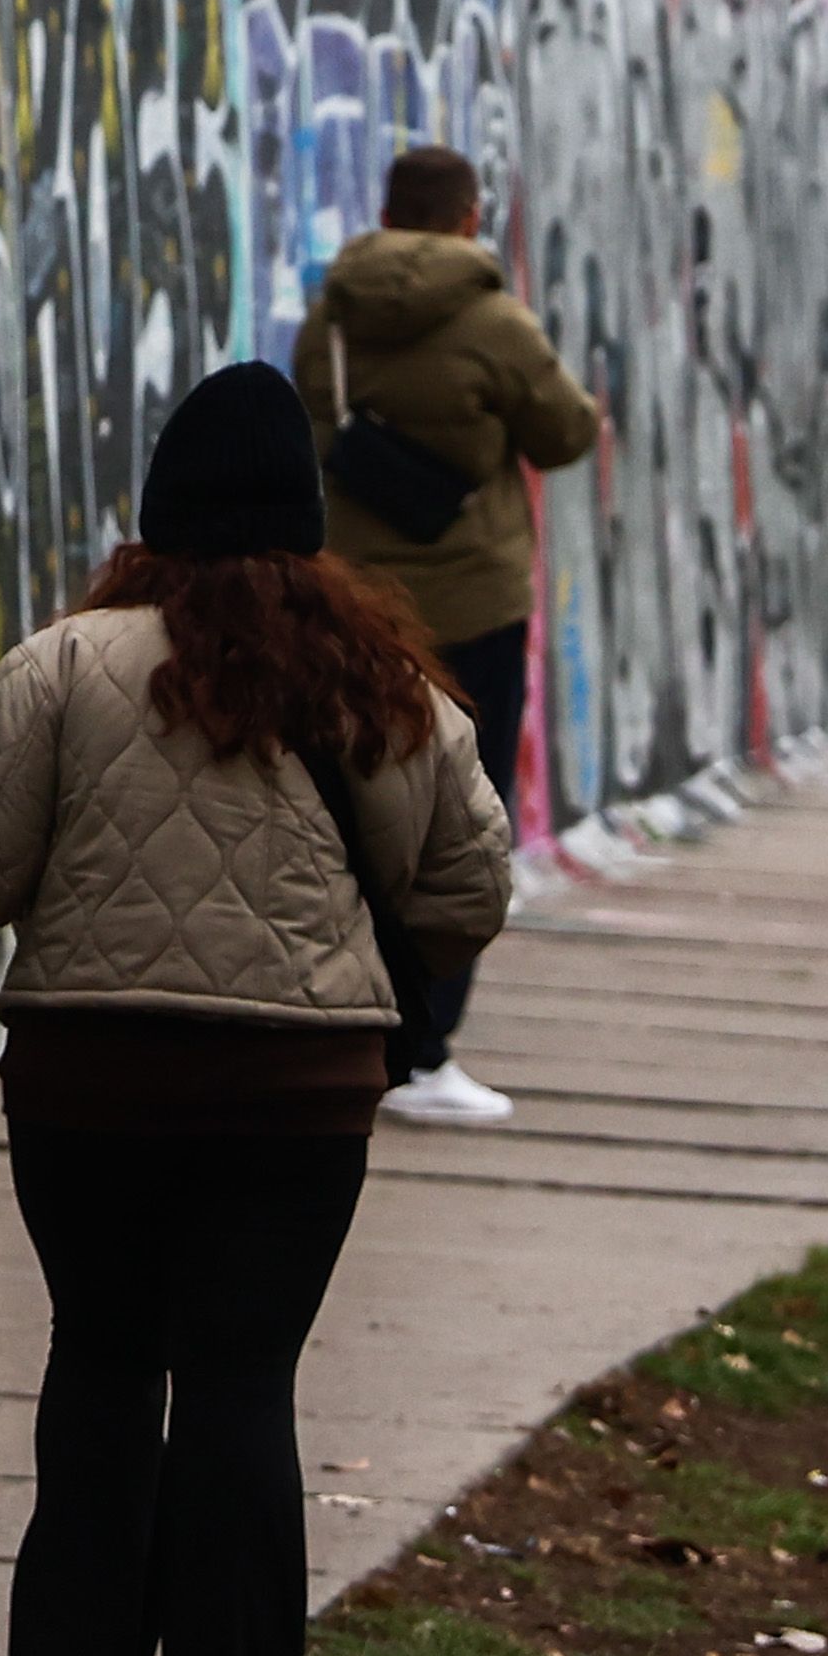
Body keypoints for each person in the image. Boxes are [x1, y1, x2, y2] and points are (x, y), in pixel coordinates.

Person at [0, 365, 509, 1656]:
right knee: (244, 1375)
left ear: (156, 512)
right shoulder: (383, 682)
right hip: (299, 1095)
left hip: (91, 1080)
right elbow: (469, 887)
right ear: (303, 523)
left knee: (103, 1346)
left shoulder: (64, 666)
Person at [288, 146, 599, 1122]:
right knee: (462, 823)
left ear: (386, 212)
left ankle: (332, 1022)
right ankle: (422, 1053)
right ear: (469, 218)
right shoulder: (494, 322)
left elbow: (307, 431)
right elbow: (567, 432)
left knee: (339, 817)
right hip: (471, 610)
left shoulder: (330, 319)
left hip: (351, 605)